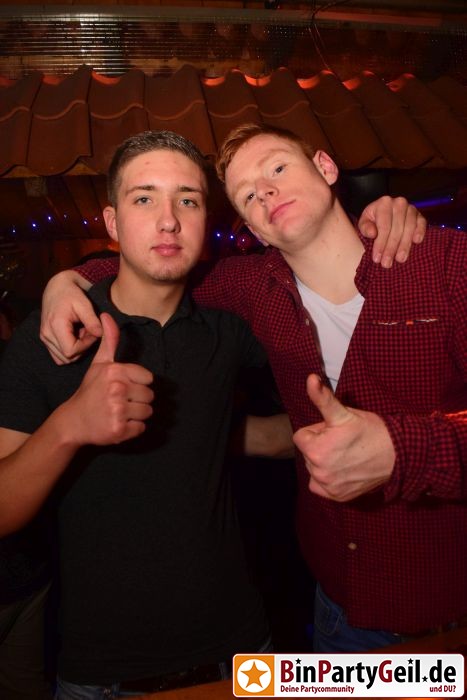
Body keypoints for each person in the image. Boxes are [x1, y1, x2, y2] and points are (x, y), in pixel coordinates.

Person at [39, 123, 466, 653]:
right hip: (341, 612)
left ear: (326, 168)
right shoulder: (251, 288)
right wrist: (66, 281)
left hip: (453, 612)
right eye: (246, 195)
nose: (264, 191)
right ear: (255, 230)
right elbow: (151, 269)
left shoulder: (446, 263)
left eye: (278, 168)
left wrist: (403, 452)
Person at [0, 130, 299, 699]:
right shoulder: (54, 333)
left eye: (187, 200)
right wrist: (70, 425)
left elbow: (301, 407)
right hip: (102, 673)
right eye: (144, 199)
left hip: (242, 654)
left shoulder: (228, 328)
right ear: (112, 223)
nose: (168, 221)